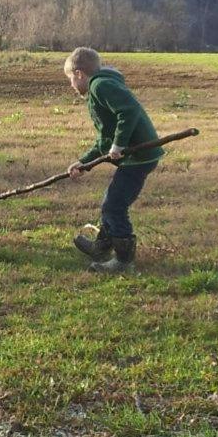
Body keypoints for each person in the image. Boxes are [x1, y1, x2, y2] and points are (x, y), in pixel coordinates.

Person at [64, 47, 162, 272]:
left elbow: (128, 111)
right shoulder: (101, 86)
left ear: (79, 73)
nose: (71, 85)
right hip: (134, 156)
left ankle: (123, 261)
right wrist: (84, 162)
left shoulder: (100, 85)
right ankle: (102, 246)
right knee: (111, 200)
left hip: (138, 156)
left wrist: (118, 145)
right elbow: (104, 138)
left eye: (70, 78)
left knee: (114, 205)